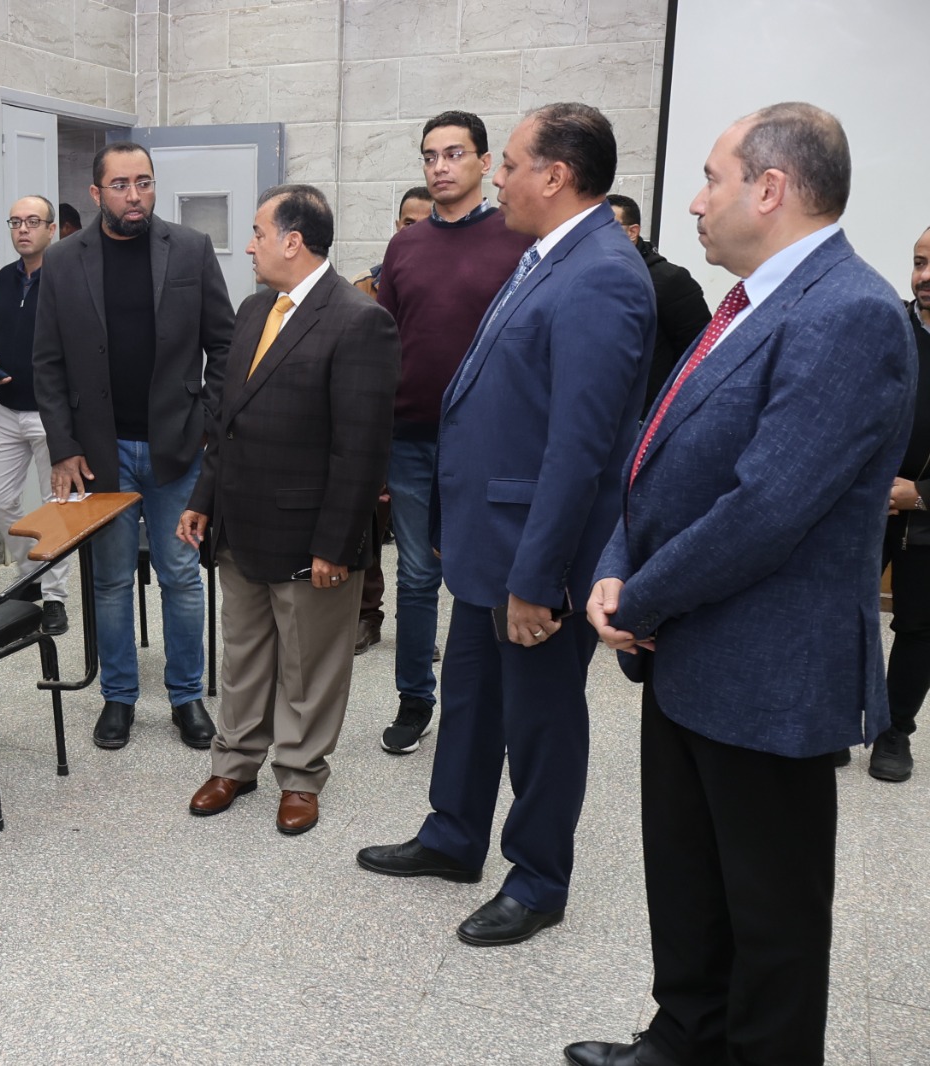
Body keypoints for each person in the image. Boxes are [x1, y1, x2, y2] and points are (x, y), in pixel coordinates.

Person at [569, 103, 916, 1066]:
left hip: (769, 672)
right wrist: (615, 563)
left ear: (770, 189)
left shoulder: (850, 314)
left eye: (711, 179)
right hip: (688, 651)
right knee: (688, 883)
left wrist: (637, 599)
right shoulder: (747, 304)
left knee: (770, 917)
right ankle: (684, 1038)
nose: (694, 201)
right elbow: (661, 452)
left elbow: (766, 508)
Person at [356, 103, 654, 948]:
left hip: (537, 553)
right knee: (473, 696)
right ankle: (454, 835)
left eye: (512, 164)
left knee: (541, 719)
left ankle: (537, 878)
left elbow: (581, 449)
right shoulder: (545, 256)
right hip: (492, 535)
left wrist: (537, 578)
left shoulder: (601, 273)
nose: (501, 180)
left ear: (556, 176)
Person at [178, 185, 396, 835]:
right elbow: (227, 420)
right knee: (243, 652)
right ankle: (234, 763)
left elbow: (361, 448)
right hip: (239, 524)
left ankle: (300, 775)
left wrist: (336, 544)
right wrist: (203, 500)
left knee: (309, 663)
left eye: (258, 233)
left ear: (293, 241)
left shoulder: (359, 320)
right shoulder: (253, 311)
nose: (249, 246)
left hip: (310, 533)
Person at [32, 142, 236, 751]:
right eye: (120, 185)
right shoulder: (63, 259)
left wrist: (207, 419)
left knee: (181, 575)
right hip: (101, 451)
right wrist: (64, 447)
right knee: (111, 580)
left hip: (178, 446)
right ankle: (118, 697)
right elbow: (47, 362)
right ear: (97, 193)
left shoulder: (190, 248)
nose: (135, 195)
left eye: (143, 182)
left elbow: (224, 344)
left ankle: (186, 697)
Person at [372, 110, 535, 753]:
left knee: (489, 573)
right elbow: (384, 342)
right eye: (430, 156)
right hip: (411, 436)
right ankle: (415, 699)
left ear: (485, 163)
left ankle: (493, 703)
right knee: (416, 576)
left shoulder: (516, 239)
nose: (440, 167)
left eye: (454, 154)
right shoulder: (405, 246)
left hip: (488, 439)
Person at [0, 194, 70, 635]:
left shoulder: (67, 278)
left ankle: (54, 596)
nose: (23, 230)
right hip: (7, 408)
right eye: (16, 222)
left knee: (57, 506)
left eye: (33, 222)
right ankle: (30, 573)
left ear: (51, 230)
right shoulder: (5, 278)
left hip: (51, 413)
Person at [353, 184, 432, 657]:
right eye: (407, 222)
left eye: (425, 221)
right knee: (367, 528)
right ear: (396, 226)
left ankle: (417, 629)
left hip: (425, 430)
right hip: (375, 428)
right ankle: (367, 616)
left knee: (421, 545)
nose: (414, 230)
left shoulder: (447, 282)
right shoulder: (363, 289)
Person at [874, 225, 930, 782]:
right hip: (864, 507)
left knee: (918, 627)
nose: (925, 276)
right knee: (841, 614)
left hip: (925, 519)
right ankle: (836, 721)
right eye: (919, 262)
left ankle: (895, 731)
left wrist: (922, 496)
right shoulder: (886, 324)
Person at [607, 193, 713, 408]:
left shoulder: (668, 280)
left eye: (607, 227)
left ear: (632, 232)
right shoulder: (585, 276)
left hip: (646, 413)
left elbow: (698, 353)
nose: (596, 237)